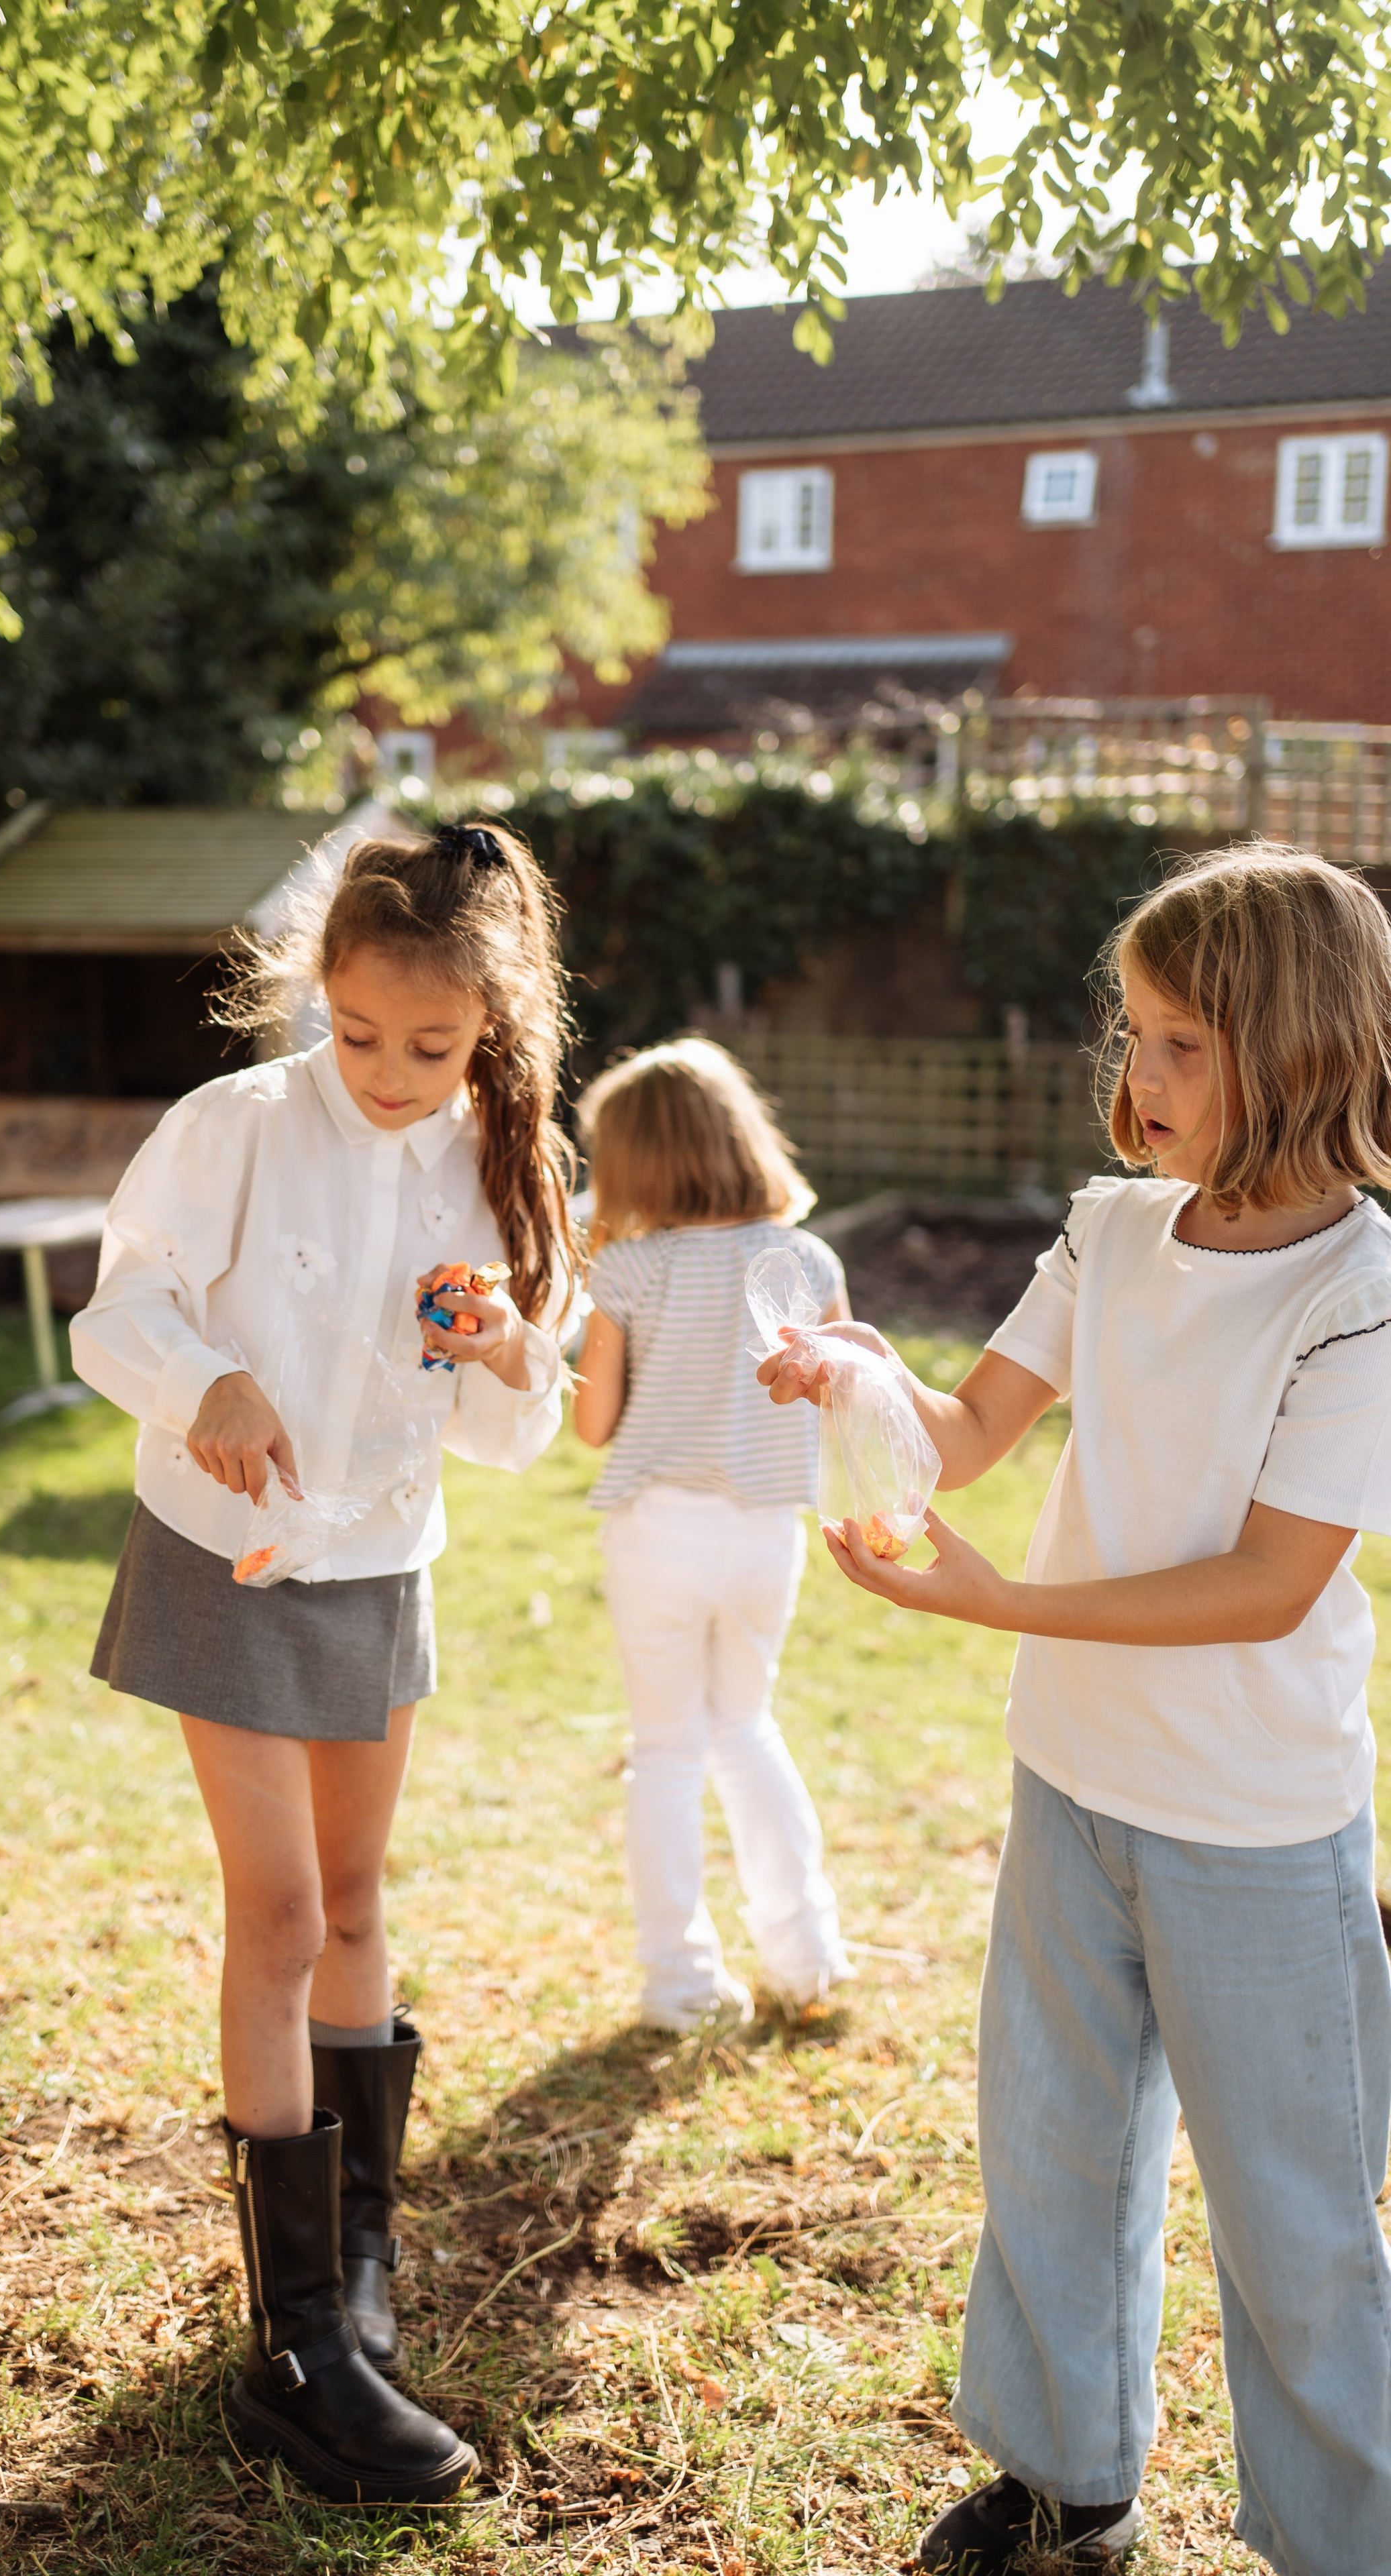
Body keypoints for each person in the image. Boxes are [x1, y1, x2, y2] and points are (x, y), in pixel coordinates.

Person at [761, 845, 1391, 2576]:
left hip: (1257, 1827)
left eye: (1182, 1044)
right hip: (1073, 1784)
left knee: (1295, 2227)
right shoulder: (1107, 1229)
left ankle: (1347, 2542)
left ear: (1304, 1049)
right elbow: (965, 1433)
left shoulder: (1361, 1293)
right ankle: (1064, 2488)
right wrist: (860, 1376)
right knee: (1050, 2153)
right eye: (1131, 1036)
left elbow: (1264, 1584)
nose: (1140, 1079)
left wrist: (997, 1601)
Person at [69, 820, 575, 2506]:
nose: (384, 1070)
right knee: (278, 1914)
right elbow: (118, 1306)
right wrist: (200, 1383)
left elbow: (517, 1424)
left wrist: (506, 1340)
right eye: (355, 1032)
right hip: (229, 1555)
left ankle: (356, 2269)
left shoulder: (502, 1158)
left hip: (379, 1558)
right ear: (318, 999)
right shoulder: (235, 1127)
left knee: (358, 1901)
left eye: (428, 1046)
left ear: (490, 1028)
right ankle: (291, 2347)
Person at [572, 1037, 854, 2031]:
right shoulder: (810, 1259)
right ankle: (808, 1954)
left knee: (667, 1750)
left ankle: (681, 1985)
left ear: (630, 1163)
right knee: (746, 1729)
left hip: (658, 1534)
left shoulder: (626, 1269)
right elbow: (840, 1403)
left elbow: (594, 1424)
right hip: (767, 1535)